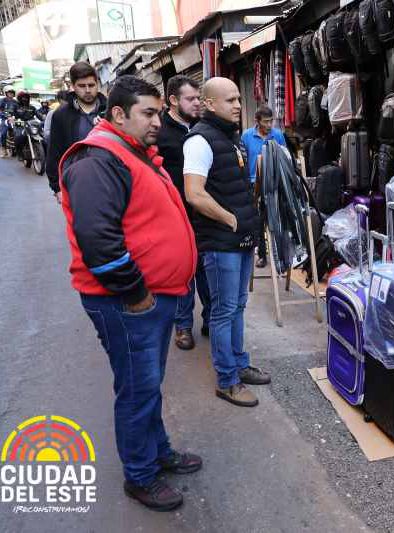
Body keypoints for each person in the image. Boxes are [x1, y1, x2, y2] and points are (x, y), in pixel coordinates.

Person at [59, 75, 201, 511]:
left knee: (148, 385)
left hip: (148, 299)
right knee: (138, 390)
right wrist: (136, 292)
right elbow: (97, 239)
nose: (158, 120)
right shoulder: (97, 160)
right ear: (118, 114)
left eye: (159, 112)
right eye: (148, 113)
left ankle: (157, 452)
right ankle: (140, 476)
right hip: (126, 302)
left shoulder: (130, 152)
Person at [184, 77, 270, 408]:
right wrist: (228, 218)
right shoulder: (199, 141)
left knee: (238, 307)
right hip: (221, 242)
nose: (238, 104)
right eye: (231, 99)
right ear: (208, 104)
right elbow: (194, 193)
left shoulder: (229, 137)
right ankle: (227, 380)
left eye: (238, 98)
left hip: (240, 239)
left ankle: (239, 363)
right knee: (222, 311)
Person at [156, 75, 210, 350]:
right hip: (175, 216)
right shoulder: (160, 133)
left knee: (208, 272)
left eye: (198, 98)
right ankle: (183, 327)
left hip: (204, 213)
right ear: (173, 101)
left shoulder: (202, 129)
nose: (196, 103)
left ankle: (211, 319)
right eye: (190, 99)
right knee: (185, 273)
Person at [47, 62, 107, 203]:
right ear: (73, 87)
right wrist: (57, 188)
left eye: (91, 85)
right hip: (77, 184)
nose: (87, 90)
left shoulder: (111, 111)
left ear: (97, 84)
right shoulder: (61, 115)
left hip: (109, 180)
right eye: (81, 86)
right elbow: (54, 151)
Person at [240, 105, 286, 269]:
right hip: (253, 184)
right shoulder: (246, 136)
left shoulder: (278, 135)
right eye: (266, 122)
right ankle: (262, 255)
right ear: (257, 121)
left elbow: (285, 158)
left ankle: (281, 255)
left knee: (277, 219)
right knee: (258, 222)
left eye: (271, 121)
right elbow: (242, 161)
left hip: (274, 182)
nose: (269, 125)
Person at [0, 88, 18, 157]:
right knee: (3, 133)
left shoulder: (15, 102)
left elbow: (18, 111)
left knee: (19, 131)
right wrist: (6, 116)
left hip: (14, 119)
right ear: (6, 93)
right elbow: (0, 110)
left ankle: (17, 148)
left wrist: (15, 117)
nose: (10, 94)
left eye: (12, 93)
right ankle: (3, 148)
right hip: (4, 119)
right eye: (9, 92)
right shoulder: (2, 100)